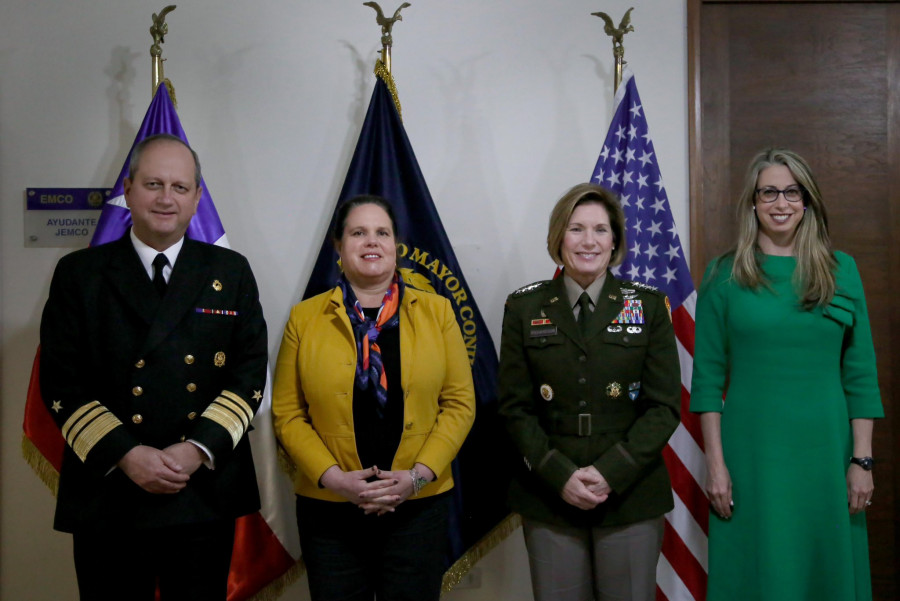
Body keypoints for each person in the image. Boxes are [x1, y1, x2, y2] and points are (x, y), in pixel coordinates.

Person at [39, 133, 268, 601]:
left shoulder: (231, 271)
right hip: (110, 490)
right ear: (128, 189)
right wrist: (127, 454)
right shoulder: (79, 273)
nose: (167, 198)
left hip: (201, 488)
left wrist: (195, 449)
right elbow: (62, 380)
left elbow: (249, 375)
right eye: (154, 184)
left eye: (181, 187)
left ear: (198, 197)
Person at [691, 148, 884, 600]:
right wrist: (715, 466)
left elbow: (860, 377)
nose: (781, 203)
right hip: (751, 456)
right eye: (769, 192)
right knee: (759, 571)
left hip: (826, 455)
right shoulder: (723, 274)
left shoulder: (842, 271)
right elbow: (706, 381)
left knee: (826, 571)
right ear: (753, 203)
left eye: (792, 192)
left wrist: (862, 460)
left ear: (808, 200)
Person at [272, 195, 475, 601]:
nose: (371, 242)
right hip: (329, 508)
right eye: (358, 232)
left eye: (382, 232)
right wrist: (336, 480)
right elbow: (288, 414)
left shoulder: (438, 312)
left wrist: (416, 477)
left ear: (396, 245)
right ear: (339, 247)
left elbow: (459, 404)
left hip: (418, 507)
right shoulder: (304, 318)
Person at [498, 182, 681, 601]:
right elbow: (514, 408)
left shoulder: (649, 306)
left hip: (631, 494)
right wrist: (560, 475)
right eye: (576, 228)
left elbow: (664, 407)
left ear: (615, 240)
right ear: (558, 236)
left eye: (600, 229)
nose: (588, 241)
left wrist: (610, 473)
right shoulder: (524, 307)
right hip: (549, 495)